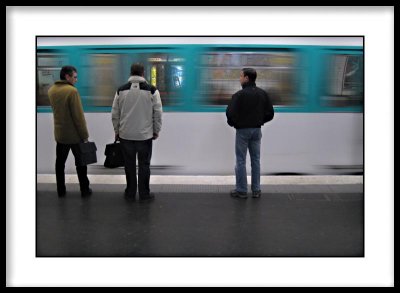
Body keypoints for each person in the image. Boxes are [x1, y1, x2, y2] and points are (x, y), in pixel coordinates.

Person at [112, 63, 162, 201]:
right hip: (145, 136)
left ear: (131, 73)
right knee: (144, 165)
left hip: (125, 135)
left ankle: (130, 193)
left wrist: (117, 130)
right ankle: (144, 194)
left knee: (129, 165)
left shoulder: (120, 90)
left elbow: (115, 114)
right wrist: (156, 130)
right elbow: (157, 113)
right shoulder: (152, 90)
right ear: (143, 73)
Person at [226, 68, 274, 199]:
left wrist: (235, 123)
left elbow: (230, 114)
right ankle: (256, 190)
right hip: (256, 130)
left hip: (242, 131)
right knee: (256, 160)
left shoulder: (239, 95)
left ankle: (241, 190)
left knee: (241, 160)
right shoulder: (262, 94)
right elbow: (270, 113)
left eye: (241, 76)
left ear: (246, 78)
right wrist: (259, 121)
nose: (239, 79)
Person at [48, 65, 92, 197]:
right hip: (74, 136)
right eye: (75, 77)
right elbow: (78, 117)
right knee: (81, 164)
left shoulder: (52, 90)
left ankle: (61, 190)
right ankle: (84, 190)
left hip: (60, 135)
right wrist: (85, 136)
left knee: (60, 163)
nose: (76, 80)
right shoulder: (72, 91)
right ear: (67, 77)